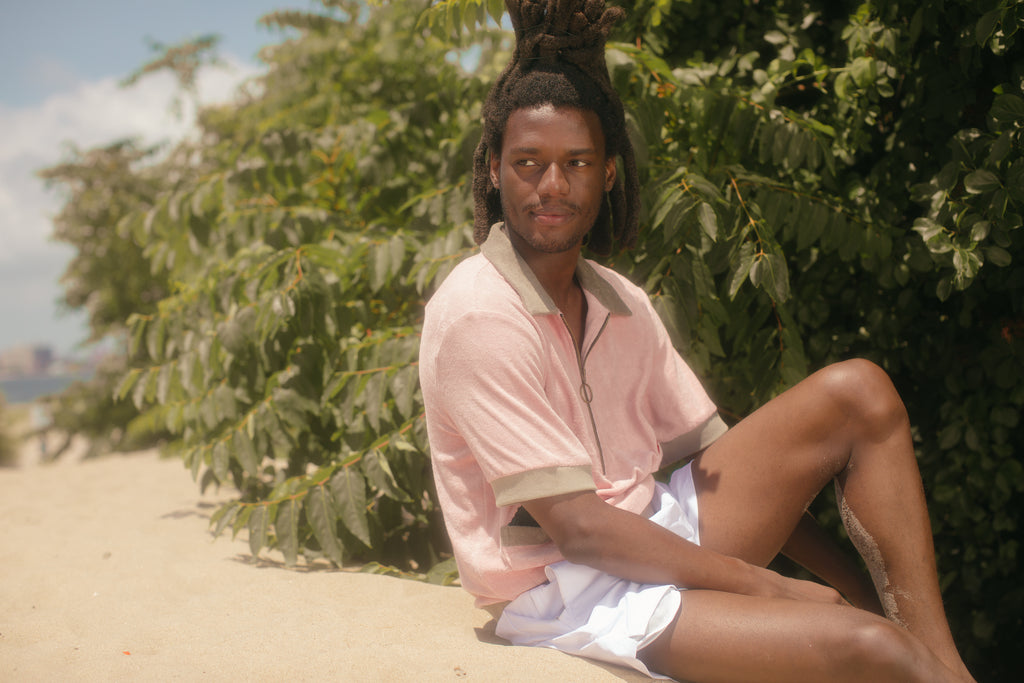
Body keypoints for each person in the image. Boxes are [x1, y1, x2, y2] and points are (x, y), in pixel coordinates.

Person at [418, 1, 976, 680]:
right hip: (566, 588)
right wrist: (769, 586)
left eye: (578, 162)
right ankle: (907, 656)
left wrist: (855, 593)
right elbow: (580, 530)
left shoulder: (622, 301)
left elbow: (716, 460)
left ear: (610, 172)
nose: (553, 186)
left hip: (661, 529)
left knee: (859, 388)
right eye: (529, 163)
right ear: (494, 171)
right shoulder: (479, 313)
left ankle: (945, 666)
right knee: (871, 651)